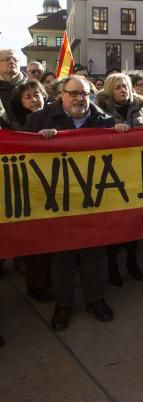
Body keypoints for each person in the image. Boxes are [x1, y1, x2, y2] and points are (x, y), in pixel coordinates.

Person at [25, 75, 130, 331]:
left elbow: (121, 156)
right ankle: (64, 304)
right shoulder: (39, 119)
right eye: (73, 93)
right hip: (57, 201)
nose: (79, 99)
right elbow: (23, 153)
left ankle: (95, 299)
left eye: (84, 94)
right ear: (62, 94)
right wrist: (38, 140)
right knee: (62, 255)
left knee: (94, 253)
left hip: (93, 201)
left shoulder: (104, 121)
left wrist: (121, 133)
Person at [95, 73, 143, 286]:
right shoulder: (99, 112)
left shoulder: (141, 109)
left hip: (135, 170)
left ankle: (132, 262)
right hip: (110, 172)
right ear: (109, 90)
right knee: (113, 222)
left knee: (133, 220)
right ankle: (113, 267)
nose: (123, 90)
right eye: (118, 87)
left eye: (125, 86)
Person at [9, 80, 53, 303]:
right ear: (20, 103)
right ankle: (36, 284)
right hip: (32, 189)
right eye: (28, 97)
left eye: (37, 94)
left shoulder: (57, 116)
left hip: (57, 186)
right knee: (37, 243)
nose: (34, 99)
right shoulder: (16, 126)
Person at [0, 49, 27, 122]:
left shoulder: (33, 87)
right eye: (7, 59)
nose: (12, 62)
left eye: (15, 59)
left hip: (30, 132)